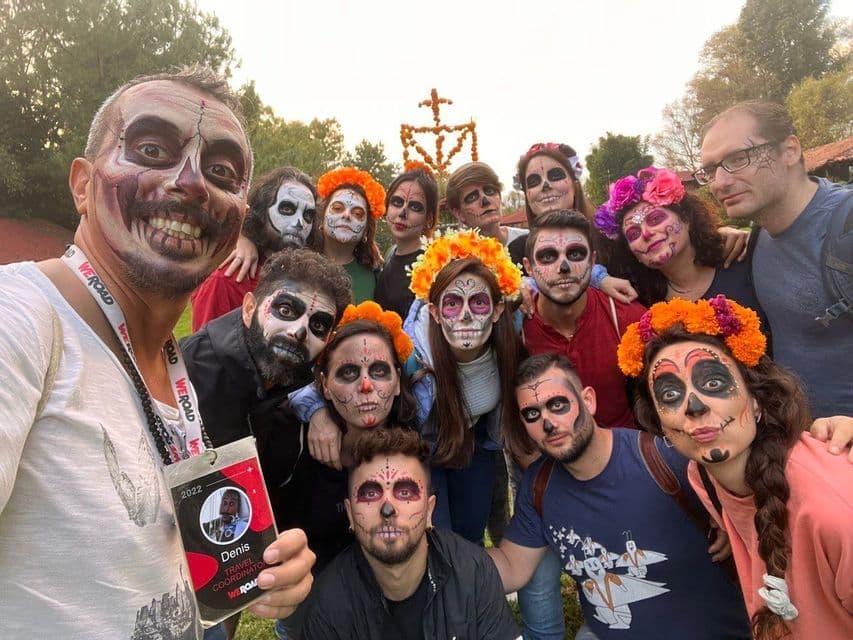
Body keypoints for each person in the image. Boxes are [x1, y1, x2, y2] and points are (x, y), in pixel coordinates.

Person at [0, 67, 313, 637]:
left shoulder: (170, 365)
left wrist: (257, 570)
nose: (191, 183)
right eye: (150, 149)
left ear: (237, 221)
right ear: (82, 185)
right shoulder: (22, 318)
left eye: (221, 172)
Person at [624, 296, 853, 639]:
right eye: (670, 395)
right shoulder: (703, 476)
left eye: (713, 383)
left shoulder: (833, 511)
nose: (694, 406)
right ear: (661, 424)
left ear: (756, 399)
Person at [489, 353, 752, 639]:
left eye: (558, 405)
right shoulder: (539, 485)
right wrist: (450, 552)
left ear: (588, 401)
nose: (548, 423)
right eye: (532, 414)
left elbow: (758, 505)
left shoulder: (663, 459)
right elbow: (511, 567)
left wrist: (732, 519)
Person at [697, 100, 853, 417]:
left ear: (790, 151)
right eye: (711, 170)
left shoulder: (846, 225)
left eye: (737, 159)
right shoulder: (758, 238)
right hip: (798, 438)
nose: (720, 182)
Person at [182, 248, 352, 528]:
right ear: (249, 308)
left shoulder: (291, 386)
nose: (299, 332)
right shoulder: (186, 374)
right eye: (286, 310)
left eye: (318, 325)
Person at [302, 427, 521, 640]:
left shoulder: (473, 573)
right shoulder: (328, 605)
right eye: (370, 493)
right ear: (350, 514)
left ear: (429, 510)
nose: (387, 509)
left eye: (405, 492)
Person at [405, 229, 526, 544]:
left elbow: (549, 282)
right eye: (452, 303)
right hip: (421, 450)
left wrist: (599, 276)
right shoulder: (411, 355)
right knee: (440, 538)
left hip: (474, 444)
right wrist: (317, 409)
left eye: (479, 303)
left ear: (497, 311)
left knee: (470, 534)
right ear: (434, 312)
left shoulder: (508, 342)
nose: (467, 315)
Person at [522, 209, 646, 429]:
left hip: (622, 443)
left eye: (576, 254)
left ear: (592, 261)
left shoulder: (627, 317)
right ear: (529, 267)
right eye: (548, 256)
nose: (564, 268)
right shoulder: (516, 328)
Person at [593, 167, 765, 323]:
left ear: (686, 219)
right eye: (634, 234)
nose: (646, 233)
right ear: (632, 253)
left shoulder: (742, 259)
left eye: (655, 219)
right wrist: (600, 279)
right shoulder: (644, 307)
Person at [191, 166, 320, 330]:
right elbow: (207, 344)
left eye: (308, 215)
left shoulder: (305, 277)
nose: (300, 223)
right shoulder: (228, 278)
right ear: (261, 212)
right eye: (287, 208)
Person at [374, 162, 439, 319]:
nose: (403, 213)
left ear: (429, 219)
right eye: (397, 202)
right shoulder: (390, 254)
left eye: (415, 207)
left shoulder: (433, 265)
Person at [316, 166, 385, 303]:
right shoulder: (298, 262)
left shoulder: (375, 277)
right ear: (322, 217)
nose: (347, 215)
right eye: (337, 208)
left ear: (366, 230)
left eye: (357, 214)